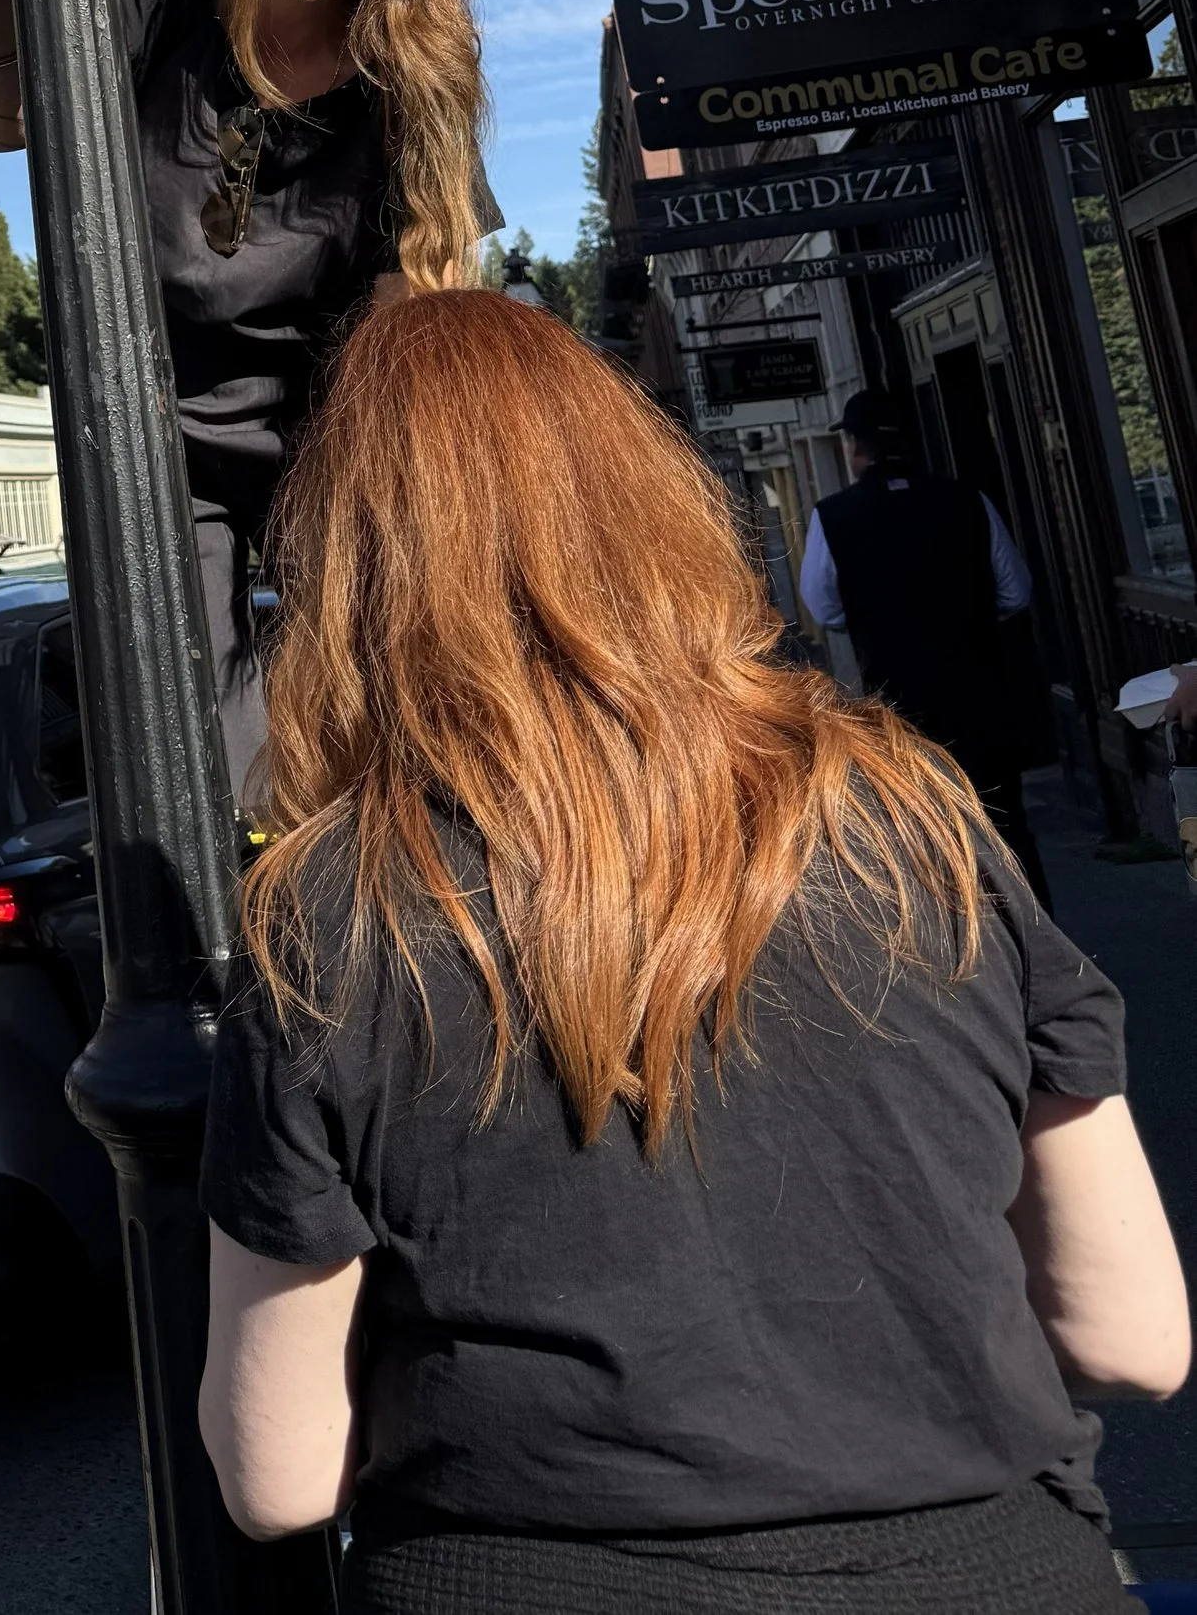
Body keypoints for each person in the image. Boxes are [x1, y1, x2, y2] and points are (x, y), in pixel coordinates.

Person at [197, 289, 1186, 1611]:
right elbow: (1135, 1336)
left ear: (352, 578)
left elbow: (278, 1472)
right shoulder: (914, 826)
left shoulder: (336, 915)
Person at [0, 0, 491, 801]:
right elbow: (2, 118)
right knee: (201, 733)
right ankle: (233, 929)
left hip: (331, 434)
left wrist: (399, 506)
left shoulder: (411, 77)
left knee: (380, 699)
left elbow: (410, 306)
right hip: (160, 437)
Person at [799, 388, 1047, 900]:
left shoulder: (833, 517)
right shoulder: (966, 500)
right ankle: (1038, 937)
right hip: (982, 697)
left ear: (854, 447)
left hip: (899, 706)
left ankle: (964, 952)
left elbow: (824, 608)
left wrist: (881, 618)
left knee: (927, 835)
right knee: (1004, 829)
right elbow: (1015, 592)